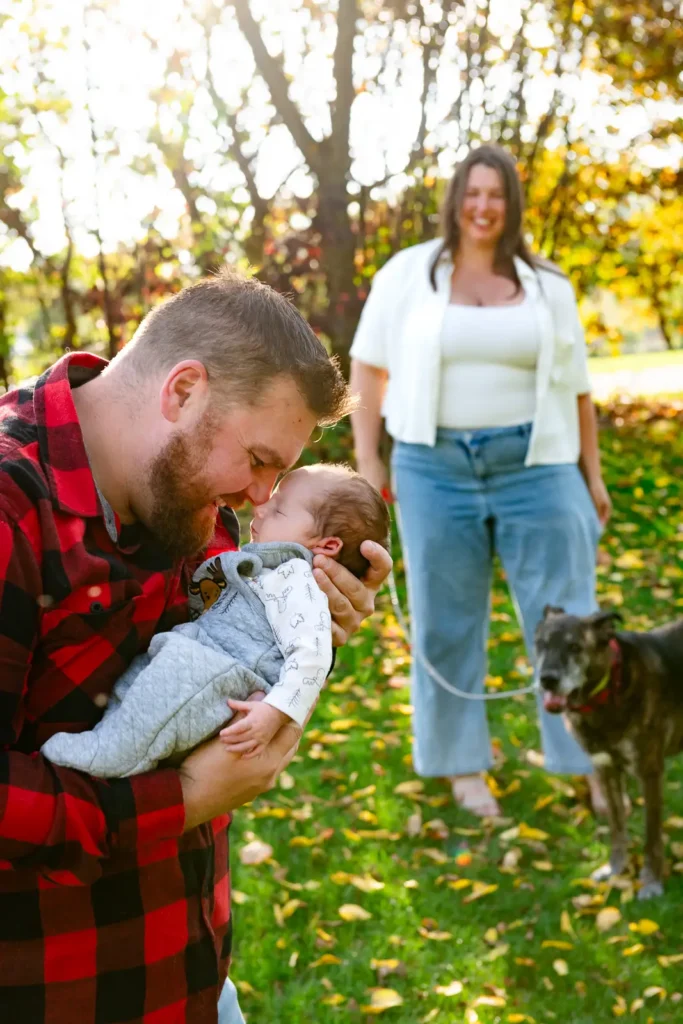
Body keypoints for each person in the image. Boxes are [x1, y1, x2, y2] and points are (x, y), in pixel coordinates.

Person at [0, 270, 392, 1024]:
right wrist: (179, 803)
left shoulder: (190, 493)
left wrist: (306, 630)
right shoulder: (15, 510)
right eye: (259, 460)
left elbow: (214, 666)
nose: (259, 499)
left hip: (192, 975)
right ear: (182, 391)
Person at [350, 144, 611, 820]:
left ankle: (585, 758)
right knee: (445, 622)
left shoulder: (547, 283)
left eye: (496, 195)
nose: (483, 206)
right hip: (433, 468)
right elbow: (367, 369)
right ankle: (461, 766)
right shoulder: (408, 274)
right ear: (455, 200)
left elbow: (577, 387)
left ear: (511, 204)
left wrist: (593, 474)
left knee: (567, 618)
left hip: (538, 464)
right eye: (473, 193)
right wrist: (369, 460)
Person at [41, 465, 390, 774]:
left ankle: (111, 755)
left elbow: (311, 657)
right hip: (206, 650)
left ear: (327, 546)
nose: (262, 505)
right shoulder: (269, 566)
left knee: (169, 687)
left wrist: (277, 711)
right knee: (147, 680)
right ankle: (112, 733)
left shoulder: (298, 579)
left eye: (280, 509)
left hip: (226, 669)